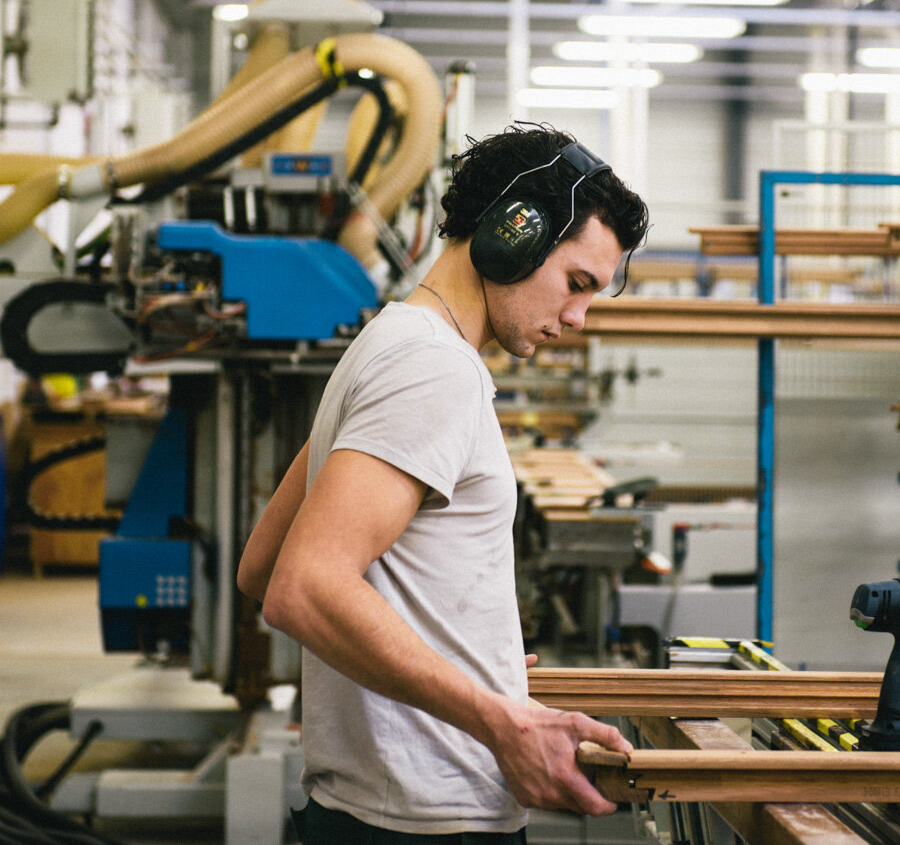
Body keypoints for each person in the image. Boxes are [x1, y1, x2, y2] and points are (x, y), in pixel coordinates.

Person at [237, 123, 650, 843]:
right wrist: (502, 719)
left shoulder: (388, 340)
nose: (578, 318)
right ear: (512, 236)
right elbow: (299, 587)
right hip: (423, 822)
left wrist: (455, 650)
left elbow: (262, 565)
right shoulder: (434, 370)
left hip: (376, 811)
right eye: (577, 284)